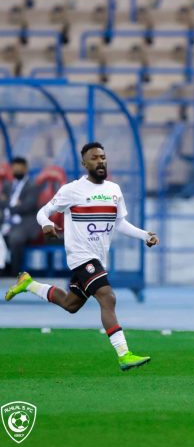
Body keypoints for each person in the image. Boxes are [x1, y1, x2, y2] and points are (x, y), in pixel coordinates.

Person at [4, 142, 159, 372]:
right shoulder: (72, 190)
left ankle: (29, 284)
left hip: (98, 257)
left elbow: (120, 223)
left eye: (103, 157)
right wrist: (46, 224)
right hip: (80, 256)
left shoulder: (114, 190)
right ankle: (124, 354)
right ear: (84, 164)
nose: (100, 161)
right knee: (108, 297)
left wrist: (144, 235)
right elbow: (42, 212)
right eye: (94, 158)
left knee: (71, 304)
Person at [0, 157, 40, 276]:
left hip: (25, 222)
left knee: (15, 238)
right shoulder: (8, 185)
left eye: (20, 168)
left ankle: (14, 273)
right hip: (6, 221)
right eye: (15, 168)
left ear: (25, 169)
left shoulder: (32, 185)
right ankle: (3, 268)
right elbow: (1, 203)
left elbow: (28, 206)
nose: (17, 170)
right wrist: (14, 204)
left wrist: (9, 205)